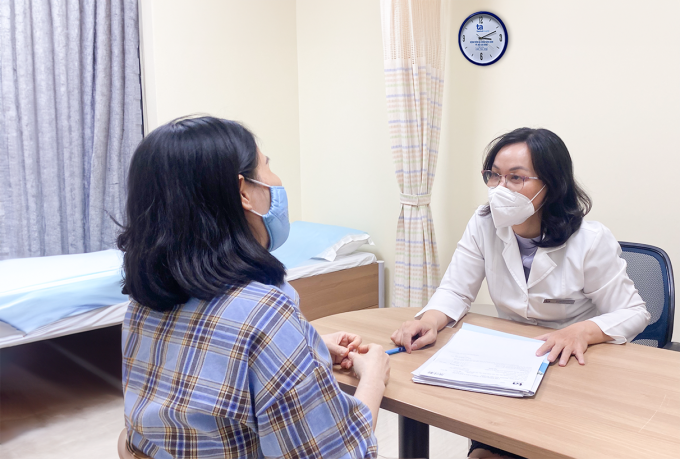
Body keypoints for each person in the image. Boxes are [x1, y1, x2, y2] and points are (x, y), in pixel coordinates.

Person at [118, 116, 390, 459]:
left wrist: (306, 345)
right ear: (244, 191)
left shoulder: (143, 301)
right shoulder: (265, 313)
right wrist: (373, 380)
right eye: (267, 166)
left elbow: (206, 370)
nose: (276, 180)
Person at [391, 127, 650, 459]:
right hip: (511, 366)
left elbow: (633, 312)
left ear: (551, 185)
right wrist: (430, 319)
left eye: (516, 178)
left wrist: (582, 330)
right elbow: (456, 288)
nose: (500, 188)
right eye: (494, 175)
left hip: (573, 367)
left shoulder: (590, 240)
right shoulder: (484, 223)